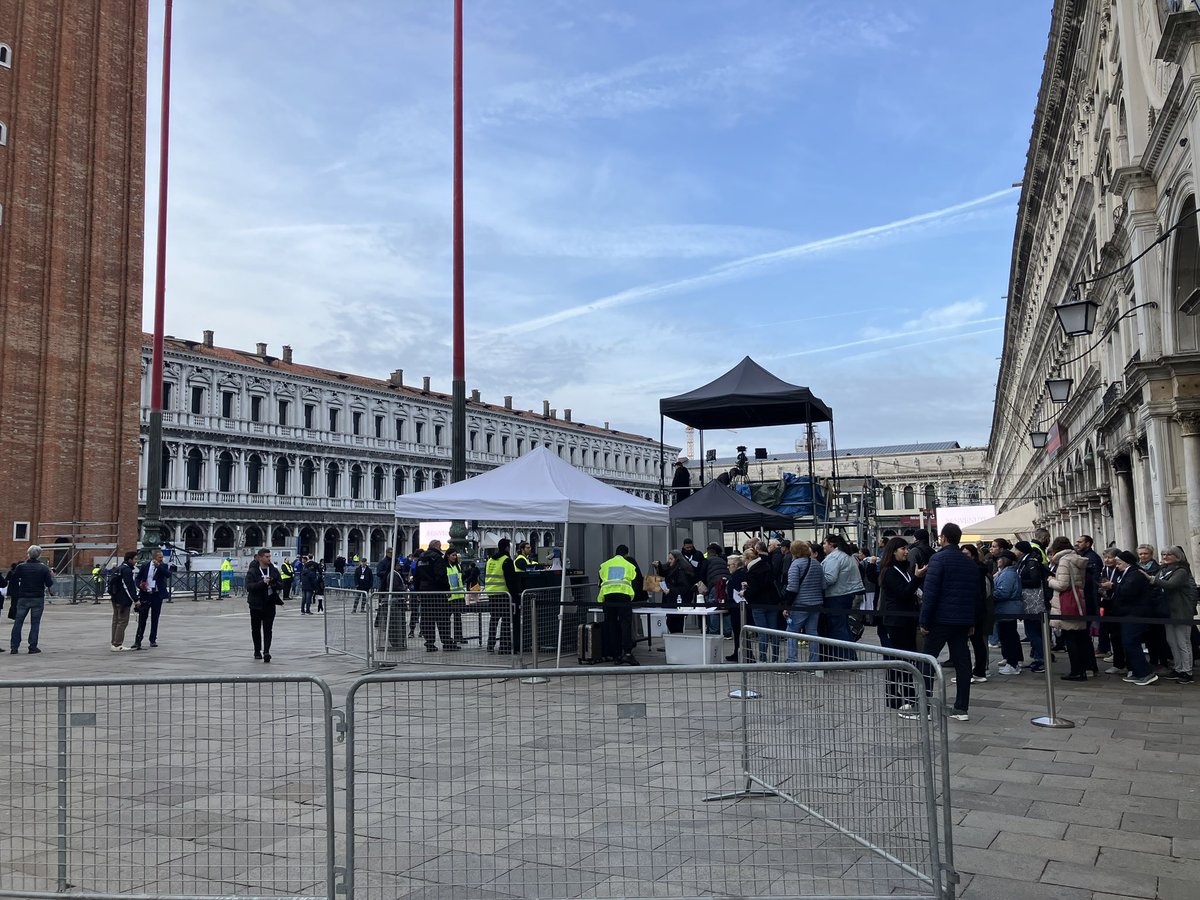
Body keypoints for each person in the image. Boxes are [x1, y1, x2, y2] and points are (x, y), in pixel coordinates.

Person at [911, 523, 977, 722]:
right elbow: (975, 596)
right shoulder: (970, 563)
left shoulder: (938, 559)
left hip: (940, 619)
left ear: (944, 538)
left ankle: (925, 706)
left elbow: (930, 594)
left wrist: (924, 621)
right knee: (962, 663)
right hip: (962, 620)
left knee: (927, 661)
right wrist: (972, 621)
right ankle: (961, 708)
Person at [877, 537, 921, 706]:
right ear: (894, 551)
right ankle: (898, 697)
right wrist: (916, 578)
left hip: (907, 620)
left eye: (907, 548)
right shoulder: (889, 571)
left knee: (906, 660)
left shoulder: (904, 569)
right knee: (900, 661)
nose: (906, 551)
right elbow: (903, 593)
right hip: (896, 622)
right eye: (903, 548)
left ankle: (907, 696)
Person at [1046, 537, 1094, 681]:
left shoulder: (1064, 561)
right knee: (1080, 637)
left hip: (1066, 602)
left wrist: (1050, 581)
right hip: (1078, 599)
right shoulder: (1076, 558)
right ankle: (1085, 667)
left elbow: (1062, 585)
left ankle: (1076, 670)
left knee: (1070, 638)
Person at [1110, 549, 1158, 685]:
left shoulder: (1135, 574)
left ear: (1127, 563)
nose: (1117, 566)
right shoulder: (1127, 573)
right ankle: (1139, 671)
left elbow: (1127, 592)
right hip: (1128, 613)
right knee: (1129, 642)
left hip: (1134, 614)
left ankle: (1144, 673)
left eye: (1119, 563)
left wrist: (1114, 586)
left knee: (1131, 642)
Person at [821, 534, 864, 660]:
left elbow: (830, 578)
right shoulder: (845, 555)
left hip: (836, 595)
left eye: (825, 543)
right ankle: (849, 656)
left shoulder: (834, 557)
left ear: (831, 544)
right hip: (845, 594)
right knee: (844, 626)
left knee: (838, 627)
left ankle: (843, 657)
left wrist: (816, 581)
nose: (823, 546)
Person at [783, 541, 825, 672]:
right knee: (812, 633)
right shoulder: (817, 563)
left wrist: (787, 606)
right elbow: (824, 585)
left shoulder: (795, 564)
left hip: (800, 604)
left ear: (794, 552)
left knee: (792, 632)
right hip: (816, 602)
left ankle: (792, 662)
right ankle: (814, 664)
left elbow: (792, 587)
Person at [1157, 546, 1196, 684]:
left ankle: (1187, 671)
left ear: (1177, 556)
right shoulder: (1163, 570)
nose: (1166, 556)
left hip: (1181, 611)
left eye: (1169, 554)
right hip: (1168, 611)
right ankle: (1178, 668)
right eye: (1164, 554)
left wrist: (1150, 579)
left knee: (1183, 642)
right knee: (1172, 642)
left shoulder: (1182, 571)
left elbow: (1170, 585)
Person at [597, 544, 638, 664]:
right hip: (623, 596)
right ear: (626, 554)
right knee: (625, 624)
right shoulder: (629, 565)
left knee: (612, 625)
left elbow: (600, 582)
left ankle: (616, 656)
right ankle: (627, 653)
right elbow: (634, 580)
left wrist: (601, 600)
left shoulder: (605, 565)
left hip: (608, 598)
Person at [9, 545, 53, 654]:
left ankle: (14, 647)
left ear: (28, 553)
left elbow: (14, 579)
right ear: (39, 555)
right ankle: (32, 646)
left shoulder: (21, 567)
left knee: (18, 622)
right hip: (37, 597)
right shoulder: (43, 568)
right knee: (35, 623)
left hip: (23, 597)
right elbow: (49, 583)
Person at [960, 543, 993, 683]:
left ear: (973, 555)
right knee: (975, 642)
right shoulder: (976, 570)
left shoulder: (978, 571)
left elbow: (981, 594)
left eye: (966, 554)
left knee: (976, 642)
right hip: (973, 610)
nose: (964, 557)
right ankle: (978, 670)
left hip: (975, 611)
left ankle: (978, 671)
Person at [414, 539, 454, 651]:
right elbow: (441, 575)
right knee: (443, 618)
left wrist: (417, 591)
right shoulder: (437, 558)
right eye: (440, 546)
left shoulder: (421, 558)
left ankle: (429, 643)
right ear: (437, 546)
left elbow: (416, 576)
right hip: (437, 592)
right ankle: (447, 642)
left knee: (427, 618)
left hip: (424, 592)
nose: (441, 548)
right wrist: (446, 590)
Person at [1013, 541, 1047, 672]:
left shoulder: (1030, 562)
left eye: (1015, 549)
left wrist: (1019, 582)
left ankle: (1042, 659)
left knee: (1033, 631)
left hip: (1033, 600)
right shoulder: (1024, 561)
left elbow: (1035, 580)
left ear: (1021, 551)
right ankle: (1038, 658)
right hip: (1029, 599)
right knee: (1032, 631)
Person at [743, 545, 780, 661]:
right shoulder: (767, 566)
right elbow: (766, 584)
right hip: (772, 602)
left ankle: (763, 657)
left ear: (749, 559)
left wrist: (745, 593)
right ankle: (775, 657)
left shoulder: (752, 571)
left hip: (759, 603)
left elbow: (755, 589)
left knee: (762, 631)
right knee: (773, 631)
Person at [245, 548, 283, 661]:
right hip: (256, 604)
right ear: (260, 557)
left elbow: (281, 584)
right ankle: (257, 650)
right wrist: (262, 583)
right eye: (267, 557)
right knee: (255, 629)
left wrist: (273, 582)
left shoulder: (273, 570)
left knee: (268, 629)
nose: (269, 558)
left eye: (269, 556)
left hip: (269, 603)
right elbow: (249, 587)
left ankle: (266, 651)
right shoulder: (253, 571)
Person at [992, 551, 1025, 675]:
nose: (997, 560)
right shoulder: (1006, 573)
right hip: (1007, 608)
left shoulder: (1008, 574)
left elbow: (1004, 592)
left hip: (1007, 608)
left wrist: (991, 594)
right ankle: (1015, 660)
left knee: (1008, 636)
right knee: (1010, 635)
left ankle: (1013, 663)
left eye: (1000, 558)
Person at [484, 539, 518, 654]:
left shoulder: (490, 560)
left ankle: (490, 645)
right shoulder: (506, 561)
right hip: (503, 594)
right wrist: (515, 595)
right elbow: (511, 581)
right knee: (506, 620)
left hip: (491, 594)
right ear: (507, 547)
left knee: (493, 620)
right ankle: (504, 645)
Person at [133, 548, 170, 650]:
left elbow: (168, 574)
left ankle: (152, 639)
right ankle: (138, 641)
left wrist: (160, 567)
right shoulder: (145, 565)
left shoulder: (163, 566)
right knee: (142, 618)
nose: (161, 559)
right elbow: (138, 578)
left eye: (162, 557)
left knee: (155, 618)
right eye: (159, 557)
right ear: (154, 558)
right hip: (146, 594)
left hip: (157, 595)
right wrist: (139, 585)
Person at [654, 552, 695, 635]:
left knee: (675, 624)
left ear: (677, 560)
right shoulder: (673, 569)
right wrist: (658, 566)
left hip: (677, 602)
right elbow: (664, 570)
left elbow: (684, 588)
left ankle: (677, 644)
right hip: (671, 601)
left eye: (671, 559)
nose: (669, 561)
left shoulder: (681, 571)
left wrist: (671, 591)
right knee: (670, 623)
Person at [697, 543, 730, 637]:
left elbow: (702, 574)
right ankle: (727, 632)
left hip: (715, 584)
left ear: (708, 552)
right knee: (725, 606)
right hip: (726, 583)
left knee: (713, 607)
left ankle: (714, 631)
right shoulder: (722, 560)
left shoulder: (706, 560)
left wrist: (706, 585)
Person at [108, 550, 138, 652]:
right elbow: (128, 586)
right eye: (135, 559)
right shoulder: (127, 570)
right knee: (122, 622)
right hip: (123, 600)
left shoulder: (118, 568)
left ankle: (114, 643)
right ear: (130, 560)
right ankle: (117, 644)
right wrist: (135, 599)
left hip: (115, 598)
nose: (136, 561)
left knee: (115, 621)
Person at [445, 549, 467, 646]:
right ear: (448, 556)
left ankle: (459, 636)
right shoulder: (445, 567)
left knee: (458, 617)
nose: (455, 557)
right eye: (453, 555)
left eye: (455, 555)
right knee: (447, 619)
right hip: (449, 597)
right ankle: (448, 638)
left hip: (458, 596)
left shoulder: (457, 566)